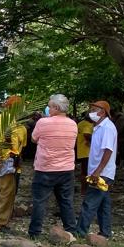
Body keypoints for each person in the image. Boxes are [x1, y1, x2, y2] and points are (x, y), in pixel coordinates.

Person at [27, 94, 78, 239]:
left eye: (49, 106)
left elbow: (33, 139)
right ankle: (71, 230)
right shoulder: (73, 124)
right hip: (67, 169)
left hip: (45, 168)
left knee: (39, 202)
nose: (48, 109)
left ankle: (35, 232)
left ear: (56, 107)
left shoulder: (43, 123)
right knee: (66, 201)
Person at [76, 100, 117, 239]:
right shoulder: (98, 127)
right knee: (103, 204)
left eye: (93, 110)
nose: (90, 112)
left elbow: (108, 150)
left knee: (90, 202)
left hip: (102, 173)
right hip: (100, 171)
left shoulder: (107, 128)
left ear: (103, 112)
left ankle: (80, 232)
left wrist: (98, 171)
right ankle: (105, 232)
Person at [0, 96, 27, 232]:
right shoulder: (17, 124)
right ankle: (1, 222)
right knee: (6, 192)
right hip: (8, 160)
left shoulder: (2, 118)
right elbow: (20, 146)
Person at [75, 113, 93, 195]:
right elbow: (86, 134)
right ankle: (85, 190)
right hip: (87, 151)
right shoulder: (88, 124)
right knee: (87, 172)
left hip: (81, 150)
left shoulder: (80, 123)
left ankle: (84, 189)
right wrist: (94, 141)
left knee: (84, 171)